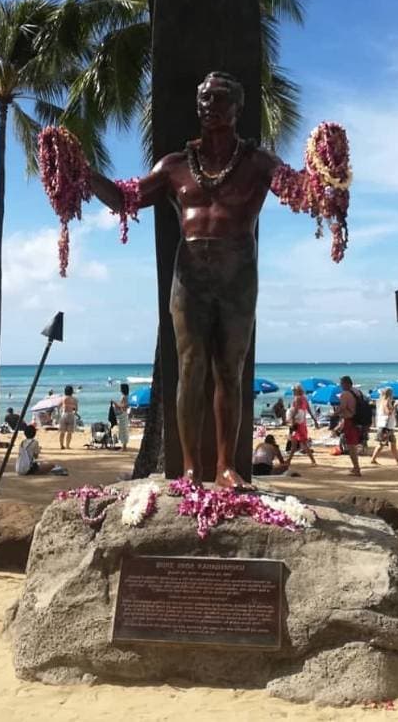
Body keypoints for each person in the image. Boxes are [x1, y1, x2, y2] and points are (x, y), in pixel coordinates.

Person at [89, 72, 296, 488]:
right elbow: (124, 198)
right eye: (203, 99)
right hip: (189, 279)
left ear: (237, 108)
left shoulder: (258, 162)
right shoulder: (175, 166)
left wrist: (331, 173)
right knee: (190, 368)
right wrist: (83, 172)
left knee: (229, 372)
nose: (209, 106)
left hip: (238, 277)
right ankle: (187, 468)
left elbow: (300, 189)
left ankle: (224, 466)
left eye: (219, 98)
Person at [334, 375, 363, 477]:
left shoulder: (345, 394)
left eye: (341, 383)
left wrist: (334, 414)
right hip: (358, 421)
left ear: (346, 383)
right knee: (353, 445)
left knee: (351, 446)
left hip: (350, 421)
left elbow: (342, 407)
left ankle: (356, 468)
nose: (341, 386)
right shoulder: (357, 392)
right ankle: (356, 467)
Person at [370, 387, 398, 466]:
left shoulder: (383, 401)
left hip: (387, 426)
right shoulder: (386, 402)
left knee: (391, 444)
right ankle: (373, 459)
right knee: (382, 444)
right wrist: (395, 407)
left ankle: (397, 461)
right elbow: (388, 413)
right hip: (386, 426)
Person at [285, 384, 317, 466]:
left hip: (297, 423)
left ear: (297, 391)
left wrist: (290, 419)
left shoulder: (297, 398)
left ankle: (313, 461)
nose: (293, 392)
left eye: (294, 390)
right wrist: (315, 420)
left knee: (301, 443)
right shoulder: (305, 398)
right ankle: (289, 460)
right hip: (303, 423)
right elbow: (309, 410)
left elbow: (295, 410)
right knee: (296, 443)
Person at [59, 385, 78, 450]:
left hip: (64, 414)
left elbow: (59, 406)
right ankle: (67, 446)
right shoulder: (74, 399)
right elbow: (76, 409)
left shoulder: (63, 398)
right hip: (71, 415)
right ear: (72, 392)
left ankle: (61, 445)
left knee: (62, 432)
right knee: (69, 432)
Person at [113, 383, 130, 450]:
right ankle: (124, 446)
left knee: (123, 430)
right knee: (123, 430)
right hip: (124, 414)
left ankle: (124, 447)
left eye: (121, 388)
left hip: (123, 414)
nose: (120, 389)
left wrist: (115, 403)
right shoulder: (126, 396)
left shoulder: (124, 397)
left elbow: (123, 406)